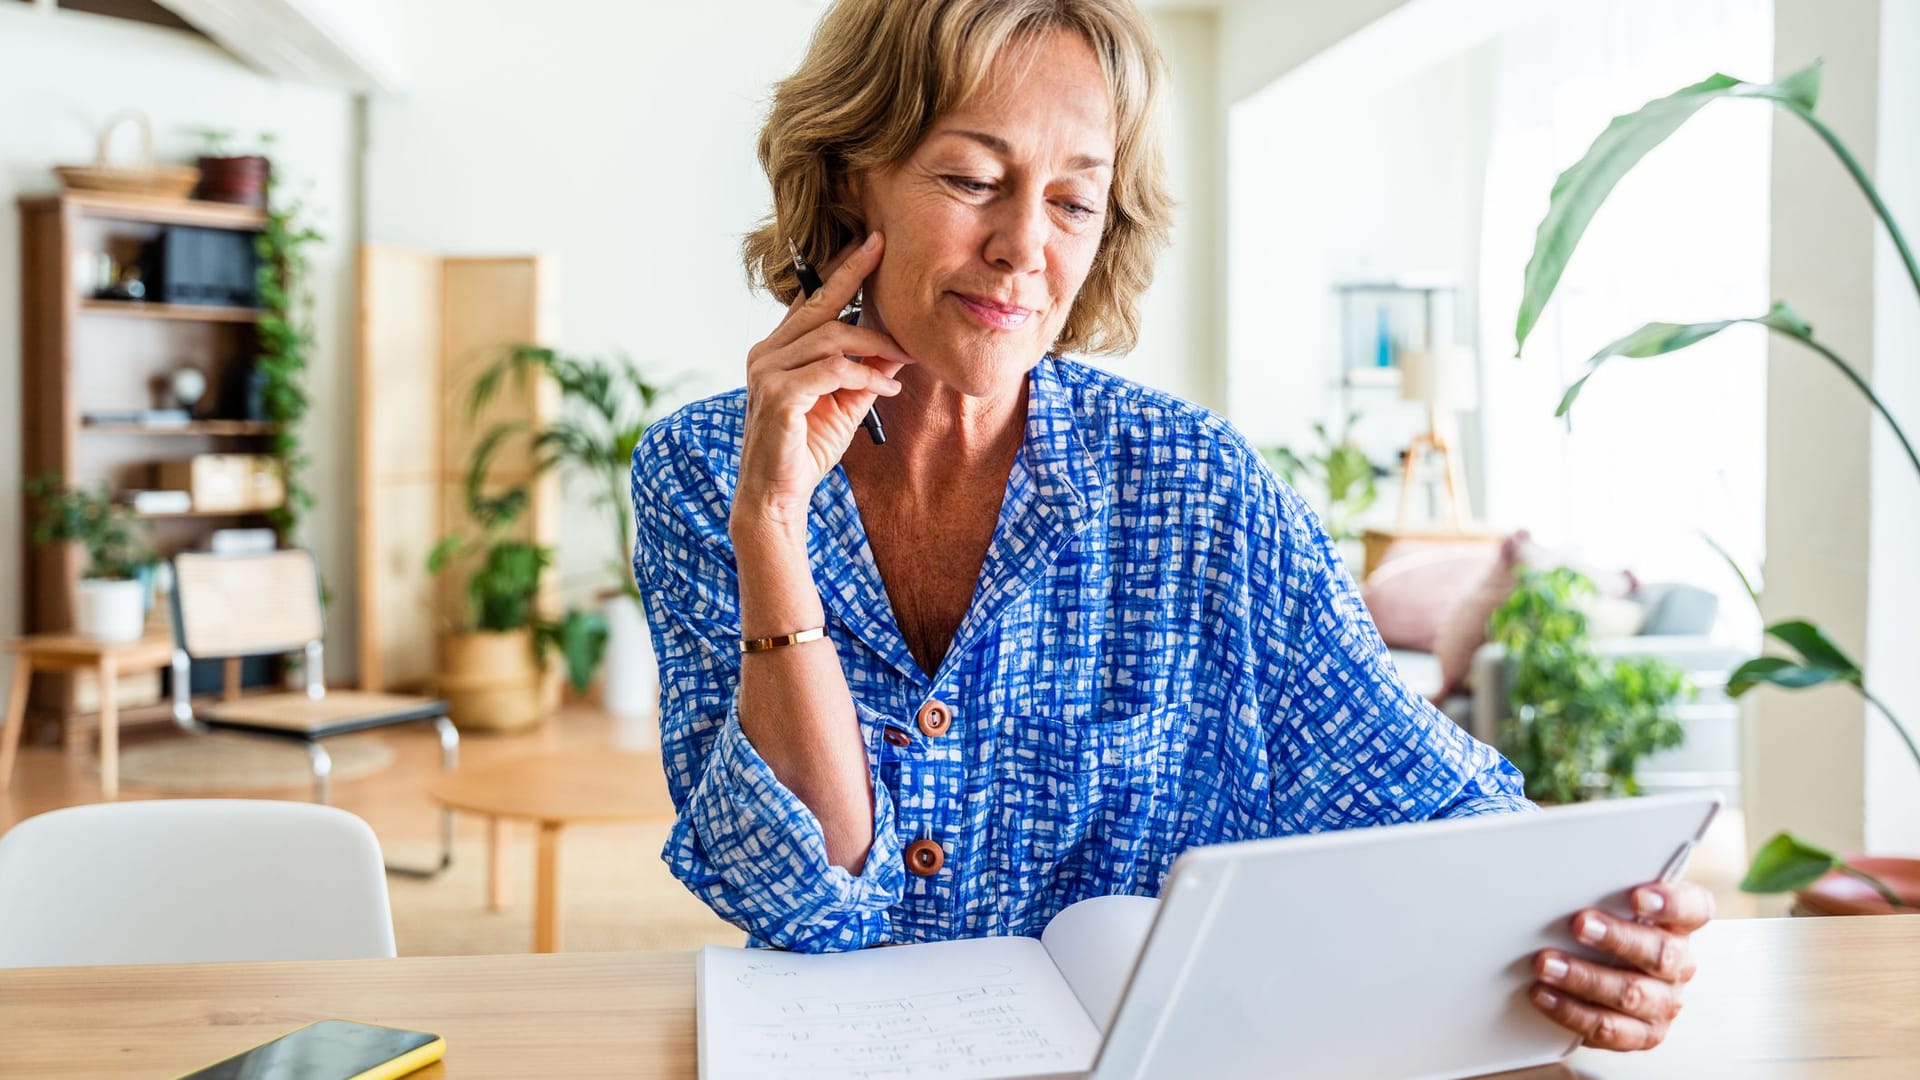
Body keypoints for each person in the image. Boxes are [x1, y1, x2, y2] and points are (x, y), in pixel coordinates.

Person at [632, 0, 1710, 1053]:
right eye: (972, 180)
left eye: (1073, 203)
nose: (1023, 248)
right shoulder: (699, 474)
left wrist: (1604, 938)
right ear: (845, 177)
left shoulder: (1198, 484)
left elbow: (1415, 787)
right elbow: (796, 896)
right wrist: (772, 522)